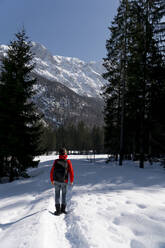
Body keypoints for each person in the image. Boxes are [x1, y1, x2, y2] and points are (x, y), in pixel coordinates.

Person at [50, 148, 74, 215]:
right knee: (64, 195)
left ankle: (58, 211)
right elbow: (71, 172)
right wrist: (71, 180)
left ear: (59, 154)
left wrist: (52, 180)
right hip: (64, 181)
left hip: (56, 181)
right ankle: (63, 210)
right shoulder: (68, 161)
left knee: (57, 195)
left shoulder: (56, 161)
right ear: (65, 153)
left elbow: (52, 171)